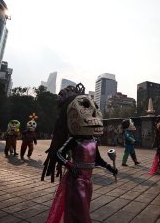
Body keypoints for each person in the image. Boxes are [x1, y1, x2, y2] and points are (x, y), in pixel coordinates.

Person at [41, 84, 117, 223]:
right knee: (78, 211)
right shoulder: (76, 140)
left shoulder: (93, 140)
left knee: (83, 208)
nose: (94, 114)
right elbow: (58, 154)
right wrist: (69, 165)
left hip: (88, 181)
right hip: (75, 180)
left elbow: (97, 159)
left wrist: (109, 167)